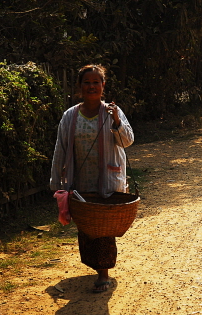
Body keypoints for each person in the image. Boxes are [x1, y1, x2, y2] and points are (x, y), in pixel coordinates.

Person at [50, 64, 134, 293]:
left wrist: (117, 120)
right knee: (87, 227)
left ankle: (103, 274)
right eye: (87, 82)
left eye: (96, 82)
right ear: (80, 86)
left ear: (103, 86)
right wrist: (56, 182)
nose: (91, 86)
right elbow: (61, 149)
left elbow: (127, 141)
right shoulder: (70, 116)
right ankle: (96, 266)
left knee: (103, 228)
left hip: (107, 180)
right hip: (81, 182)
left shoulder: (112, 112)